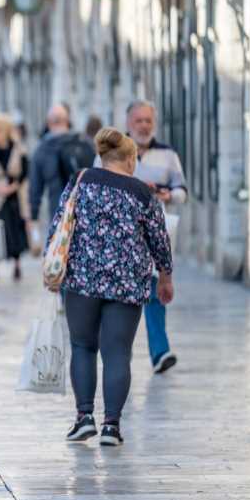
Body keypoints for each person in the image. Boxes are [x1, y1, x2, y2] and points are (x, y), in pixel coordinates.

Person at [51, 128, 173, 447]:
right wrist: (165, 275)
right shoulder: (142, 193)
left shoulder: (80, 181)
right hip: (127, 282)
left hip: (81, 279)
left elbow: (59, 224)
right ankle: (111, 427)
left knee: (82, 346)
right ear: (131, 159)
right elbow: (159, 239)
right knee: (117, 353)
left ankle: (83, 417)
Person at [126, 100, 187, 374]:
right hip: (121, 235)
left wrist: (166, 195)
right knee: (123, 296)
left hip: (154, 233)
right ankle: (118, 354)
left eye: (148, 120)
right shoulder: (112, 153)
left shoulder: (168, 154)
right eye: (138, 120)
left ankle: (160, 353)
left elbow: (182, 192)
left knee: (155, 289)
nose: (143, 125)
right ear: (128, 123)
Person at [29, 102, 95, 227]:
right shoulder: (85, 143)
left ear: (48, 123)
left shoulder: (42, 149)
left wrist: (34, 216)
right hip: (86, 213)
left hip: (58, 216)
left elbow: (35, 188)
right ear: (68, 121)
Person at [0, 114, 30, 282]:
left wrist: (12, 187)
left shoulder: (18, 147)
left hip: (14, 196)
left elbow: (25, 170)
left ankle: (17, 264)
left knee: (15, 229)